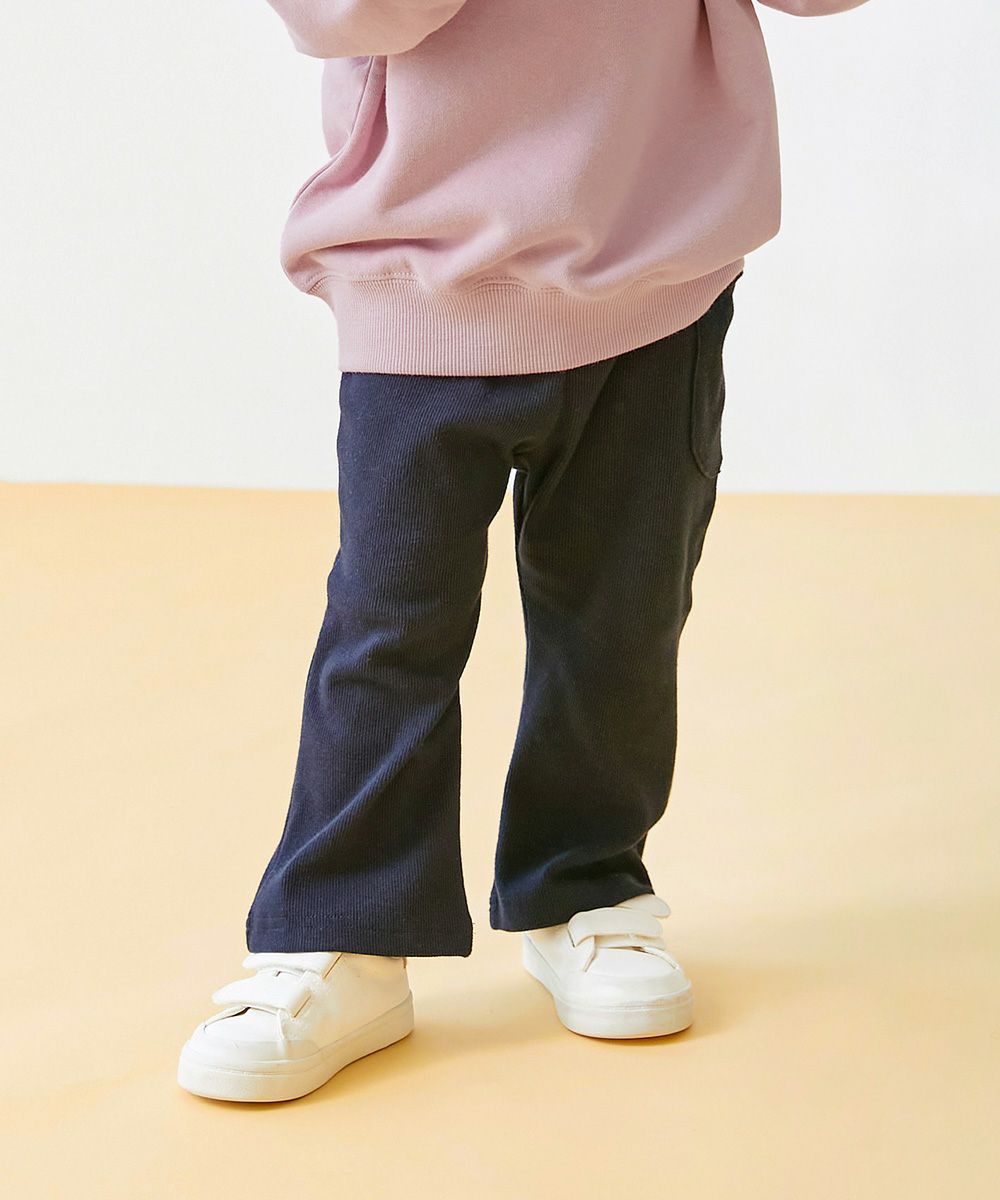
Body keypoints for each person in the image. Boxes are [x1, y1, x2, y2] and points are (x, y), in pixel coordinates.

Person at [177, 0, 871, 1102]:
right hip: (425, 264)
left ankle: (585, 887)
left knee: (621, 616)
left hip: (659, 270)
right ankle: (346, 931)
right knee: (390, 624)